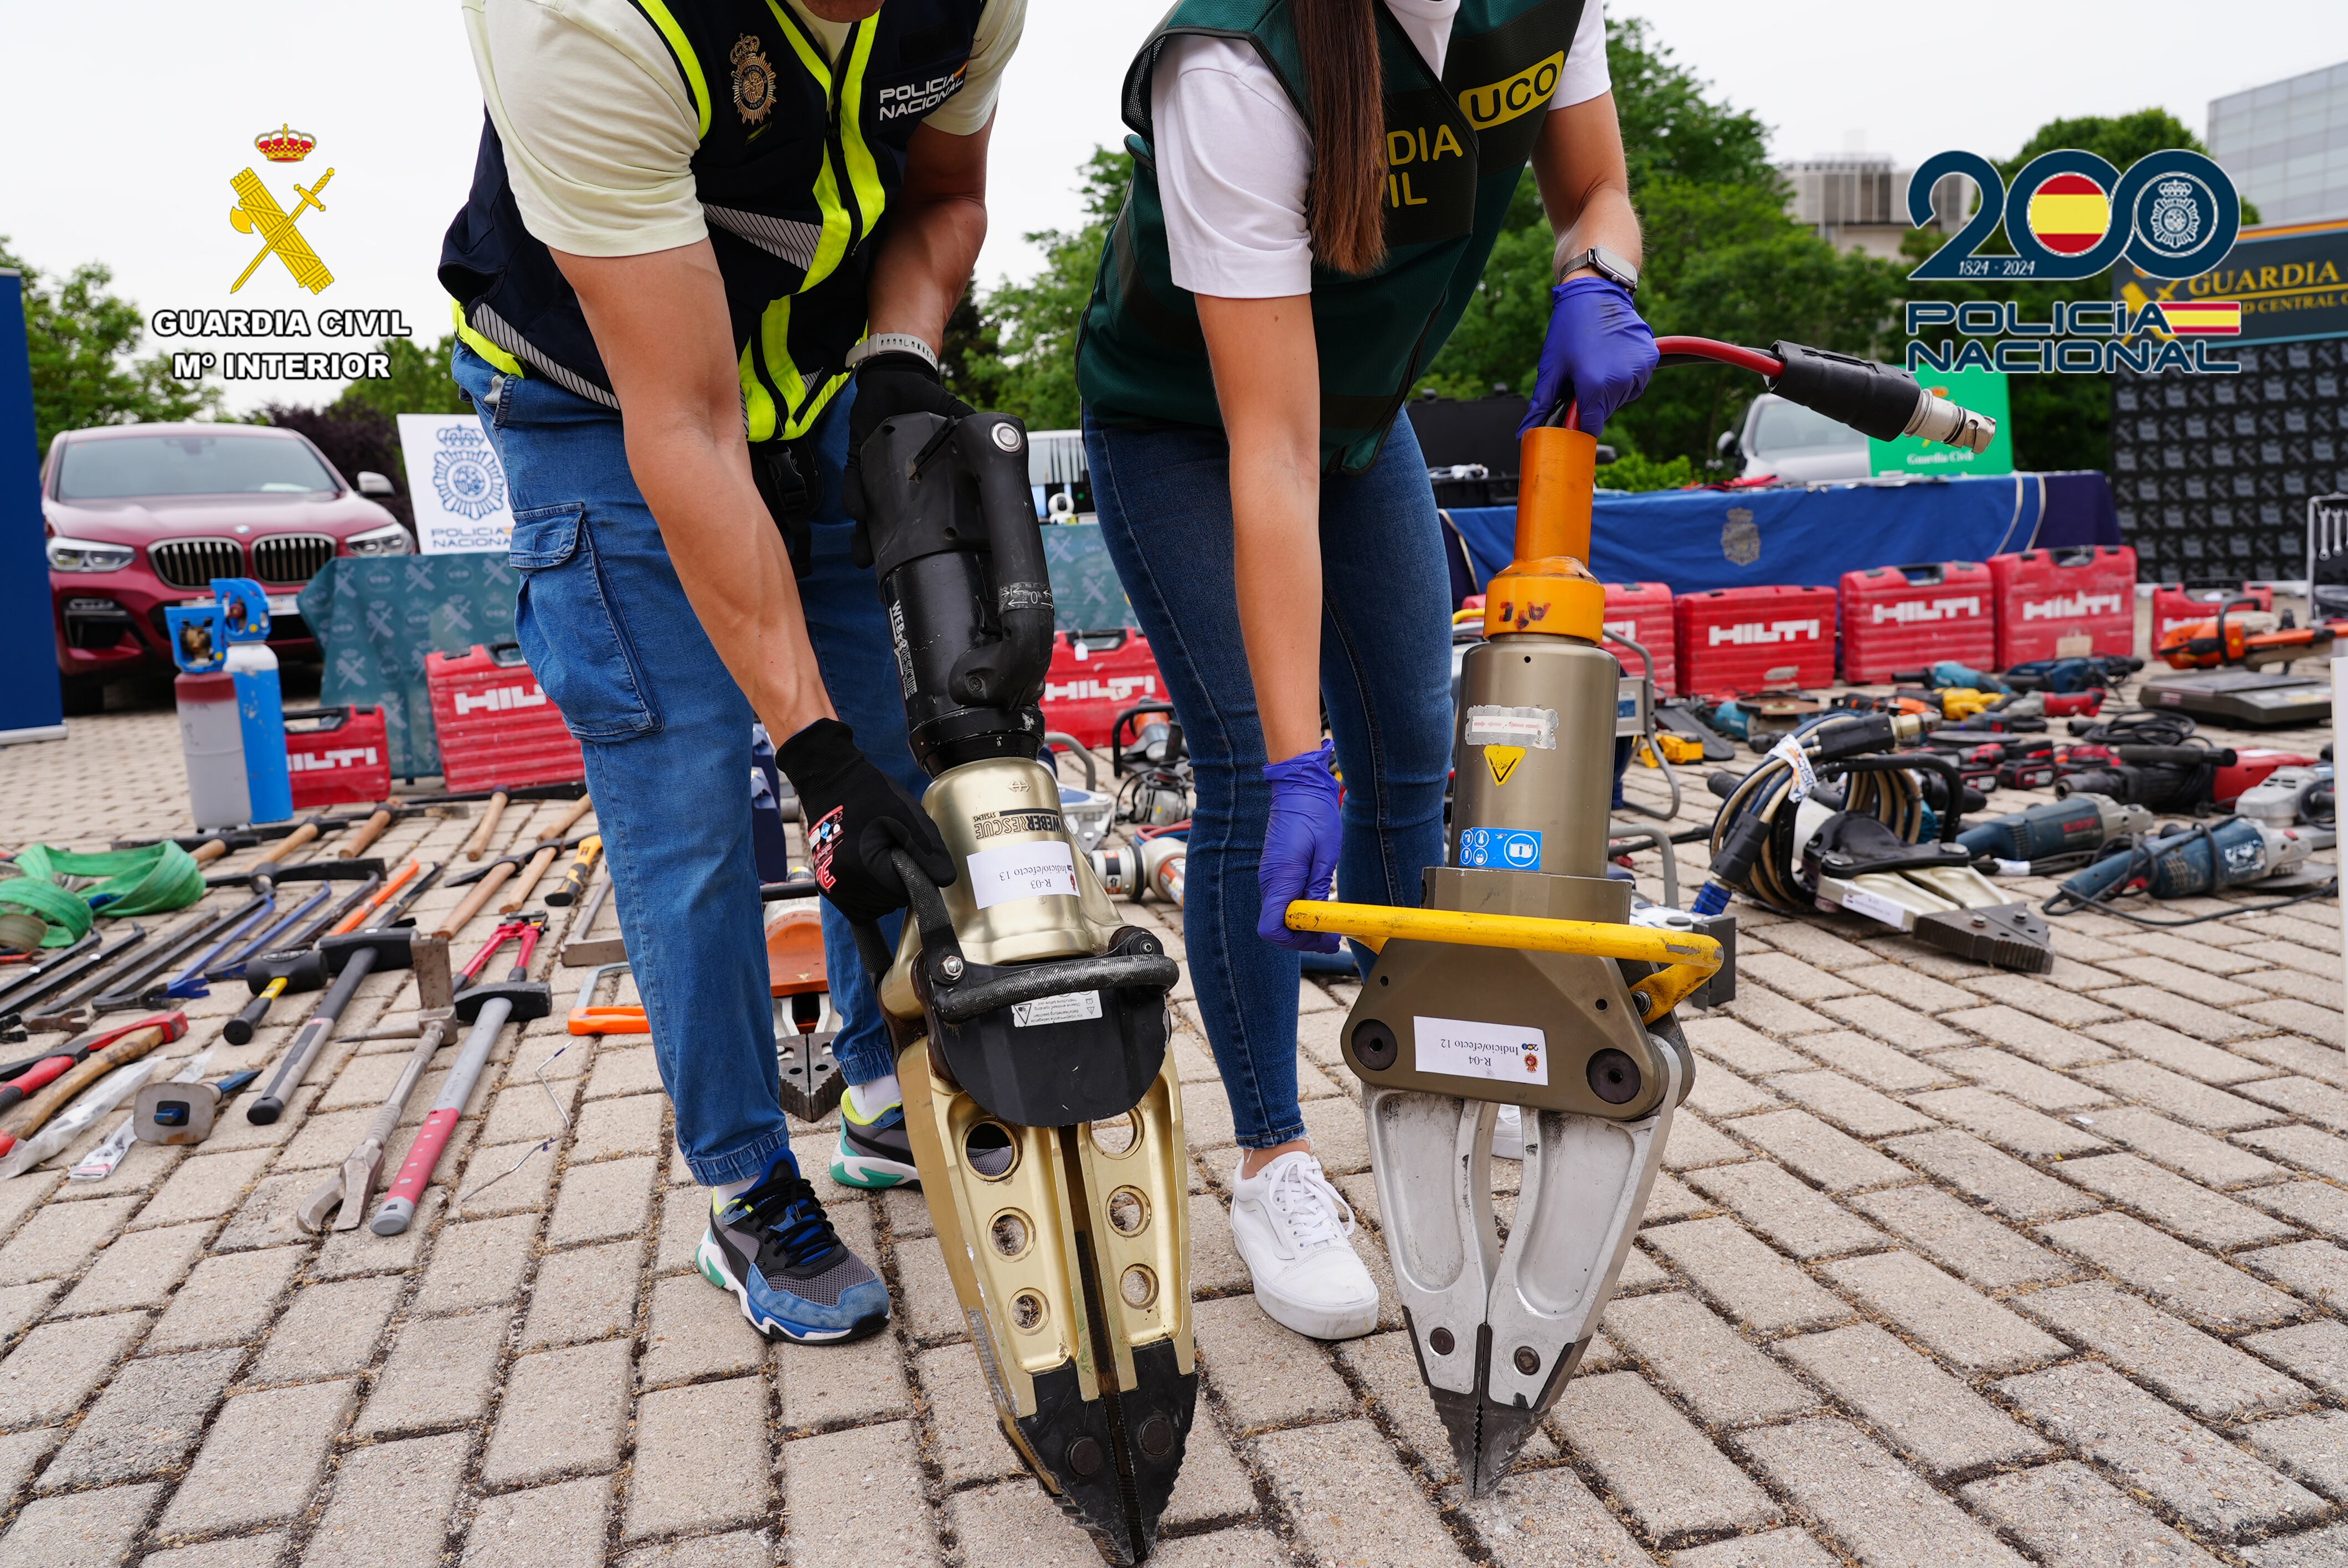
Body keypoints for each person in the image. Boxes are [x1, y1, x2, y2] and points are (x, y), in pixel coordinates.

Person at [442, 0, 1024, 1342]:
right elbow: (688, 421)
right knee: (693, 800)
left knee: (895, 746)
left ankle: (891, 1096)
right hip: (601, 400)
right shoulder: (587, 19)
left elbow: (942, 196)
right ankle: (748, 1184)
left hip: (808, 387)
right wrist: (806, 755)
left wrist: (897, 353)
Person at [1075, 0, 1655, 1339]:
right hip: (1187, 424)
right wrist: (1293, 761)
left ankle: (1430, 1087)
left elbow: (1600, 192)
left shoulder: (1541, 8)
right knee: (1241, 758)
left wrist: (1596, 279)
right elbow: (1264, 449)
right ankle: (1274, 1163)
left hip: (1360, 412)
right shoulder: (1233, 58)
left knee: (1409, 739)